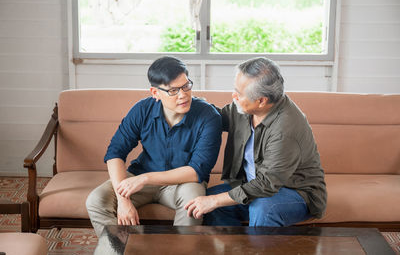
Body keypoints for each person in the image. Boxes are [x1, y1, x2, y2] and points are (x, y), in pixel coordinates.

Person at [86, 56, 222, 236]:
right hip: (140, 177)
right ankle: (120, 249)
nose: (183, 95)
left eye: (186, 86)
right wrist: (123, 200)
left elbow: (196, 171)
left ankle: (183, 250)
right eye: (173, 90)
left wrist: (145, 179)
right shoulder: (142, 109)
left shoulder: (208, 116)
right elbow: (115, 153)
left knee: (193, 201)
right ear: (155, 93)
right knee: (96, 200)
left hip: (182, 183)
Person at [185, 57, 327, 227]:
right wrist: (184, 99)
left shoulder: (285, 129)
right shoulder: (245, 108)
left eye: (239, 93)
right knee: (207, 203)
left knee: (263, 207)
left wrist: (215, 200)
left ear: (261, 101)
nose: (233, 96)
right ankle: (234, 247)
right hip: (251, 185)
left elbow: (267, 184)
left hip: (294, 192)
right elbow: (216, 118)